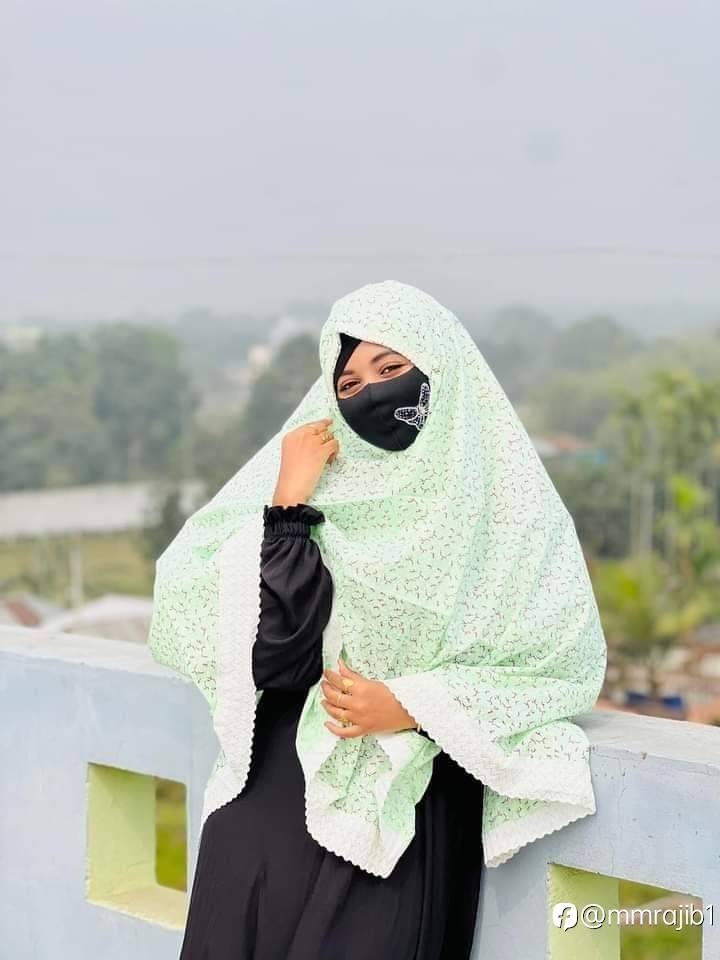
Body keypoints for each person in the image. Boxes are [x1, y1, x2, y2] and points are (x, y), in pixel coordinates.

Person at [148, 280, 607, 960]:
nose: (371, 394)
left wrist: (414, 704)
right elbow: (277, 658)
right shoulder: (317, 496)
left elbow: (563, 665)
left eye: (391, 368)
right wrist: (289, 505)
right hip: (269, 810)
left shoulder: (513, 515)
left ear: (442, 366)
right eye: (349, 383)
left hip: (404, 821)